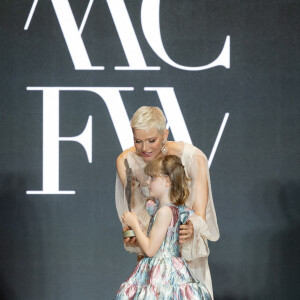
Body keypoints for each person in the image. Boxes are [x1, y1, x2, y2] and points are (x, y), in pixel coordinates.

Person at [115, 106, 219, 298]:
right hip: (153, 257)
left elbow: (200, 213)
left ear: (165, 134)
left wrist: (191, 227)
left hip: (185, 249)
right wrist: (131, 232)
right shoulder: (126, 161)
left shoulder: (193, 157)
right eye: (138, 141)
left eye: (151, 140)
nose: (144, 148)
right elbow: (134, 210)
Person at [115, 155, 212, 299]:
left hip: (163, 273)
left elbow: (150, 250)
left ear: (167, 181)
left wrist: (134, 223)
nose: (147, 182)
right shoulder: (171, 210)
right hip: (165, 268)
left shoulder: (165, 212)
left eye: (152, 178)